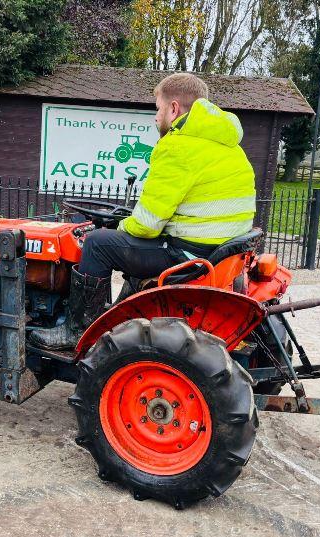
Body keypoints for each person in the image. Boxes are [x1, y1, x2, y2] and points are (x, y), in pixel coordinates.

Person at [30, 72, 256, 350]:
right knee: (121, 241)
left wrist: (120, 227)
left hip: (189, 253)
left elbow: (148, 224)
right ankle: (115, 318)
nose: (156, 117)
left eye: (157, 109)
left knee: (97, 243)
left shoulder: (178, 146)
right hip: (216, 250)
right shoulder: (228, 147)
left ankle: (77, 330)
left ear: (173, 109)